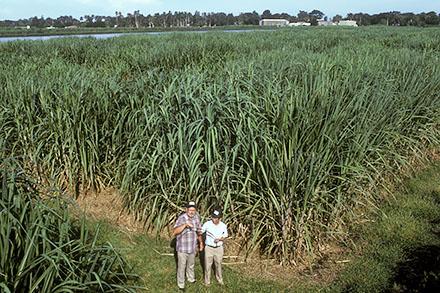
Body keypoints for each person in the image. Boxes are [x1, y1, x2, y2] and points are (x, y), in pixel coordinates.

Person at [173, 201, 204, 290]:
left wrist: (201, 243)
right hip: (182, 248)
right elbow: (175, 232)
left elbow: (199, 232)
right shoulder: (181, 218)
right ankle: (181, 284)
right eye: (190, 210)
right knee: (181, 267)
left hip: (192, 247)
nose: (191, 212)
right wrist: (185, 225)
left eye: (193, 210)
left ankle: (191, 278)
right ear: (186, 210)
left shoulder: (197, 218)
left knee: (191, 265)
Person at [202, 209, 228, 286]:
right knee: (207, 265)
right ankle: (207, 281)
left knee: (218, 264)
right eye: (213, 217)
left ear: (220, 218)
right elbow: (201, 231)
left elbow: (225, 236)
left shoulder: (223, 225)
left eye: (216, 218)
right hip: (209, 248)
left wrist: (220, 239)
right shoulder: (207, 224)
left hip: (219, 248)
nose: (214, 219)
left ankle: (220, 279)